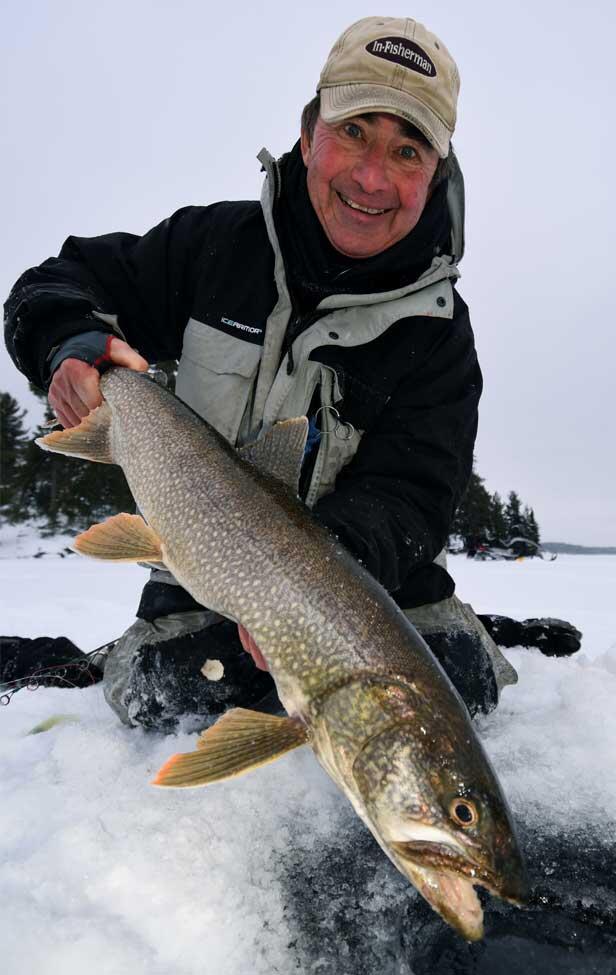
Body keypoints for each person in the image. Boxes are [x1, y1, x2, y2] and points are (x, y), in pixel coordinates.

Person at [4, 16, 518, 731]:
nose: (373, 177)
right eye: (354, 132)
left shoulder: (439, 335)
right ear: (310, 136)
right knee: (182, 698)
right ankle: (96, 664)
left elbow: (415, 493)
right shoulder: (213, 245)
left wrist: (308, 587)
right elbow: (57, 284)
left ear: (436, 175)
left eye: (407, 149)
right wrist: (72, 343)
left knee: (451, 698)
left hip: (373, 586)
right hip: (201, 568)